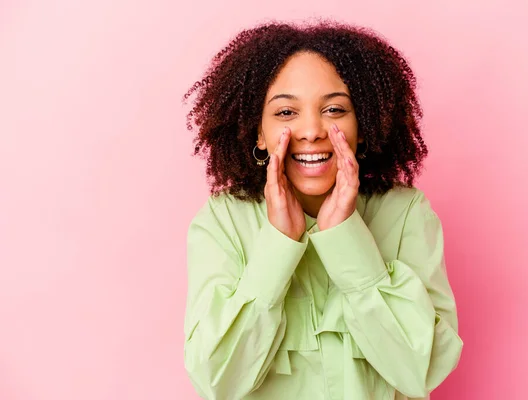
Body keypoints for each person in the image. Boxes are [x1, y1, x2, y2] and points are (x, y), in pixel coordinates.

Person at [182, 20, 463, 400]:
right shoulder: (222, 222)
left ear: (361, 125)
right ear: (258, 133)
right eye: (285, 113)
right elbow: (216, 380)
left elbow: (424, 370)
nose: (312, 129)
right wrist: (278, 245)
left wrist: (347, 238)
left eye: (333, 109)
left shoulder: (406, 213)